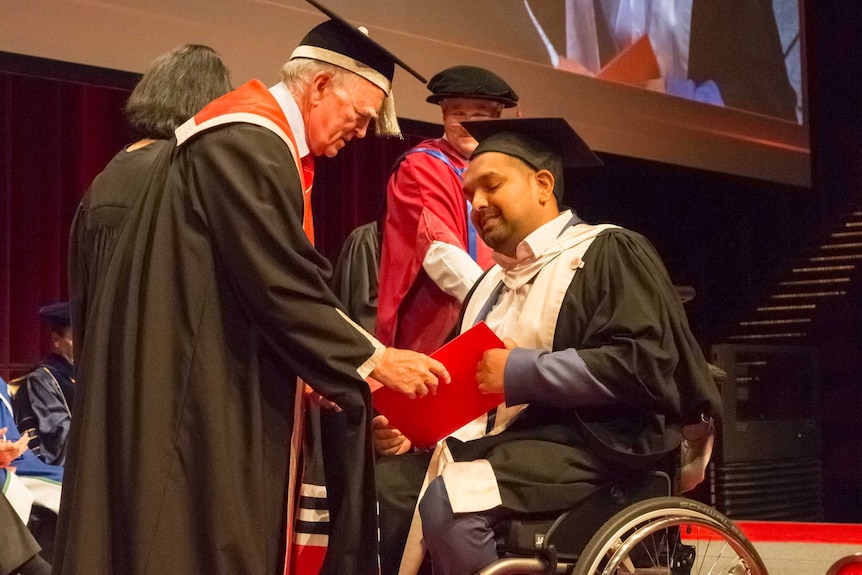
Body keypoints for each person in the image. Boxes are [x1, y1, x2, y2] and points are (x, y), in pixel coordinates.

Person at [57, 6, 449, 575]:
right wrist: (374, 359)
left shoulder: (251, 145)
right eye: (360, 115)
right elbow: (280, 281)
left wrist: (315, 369)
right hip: (195, 395)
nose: (362, 133)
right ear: (319, 86)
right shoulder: (247, 140)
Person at [375, 118, 722, 575]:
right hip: (511, 445)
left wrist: (521, 372)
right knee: (382, 488)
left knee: (456, 499)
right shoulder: (488, 285)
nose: (477, 204)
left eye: (491, 186)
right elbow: (469, 386)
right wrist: (412, 430)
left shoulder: (608, 250)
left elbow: (644, 363)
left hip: (596, 440)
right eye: (468, 195)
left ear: (543, 185)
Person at [376, 65, 519, 356]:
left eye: (478, 115)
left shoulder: (509, 172)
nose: (467, 124)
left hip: (499, 320)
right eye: (457, 114)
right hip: (441, 330)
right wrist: (496, 308)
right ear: (443, 115)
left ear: (496, 117)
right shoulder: (422, 166)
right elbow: (438, 250)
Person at [1, 377, 63, 574]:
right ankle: (32, 566)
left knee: (75, 487)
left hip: (15, 462)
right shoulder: (43, 379)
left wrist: (14, 449)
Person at [11, 303, 75, 466]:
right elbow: (60, 438)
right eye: (75, 338)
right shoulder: (43, 380)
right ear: (56, 340)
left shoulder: (85, 375)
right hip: (59, 471)